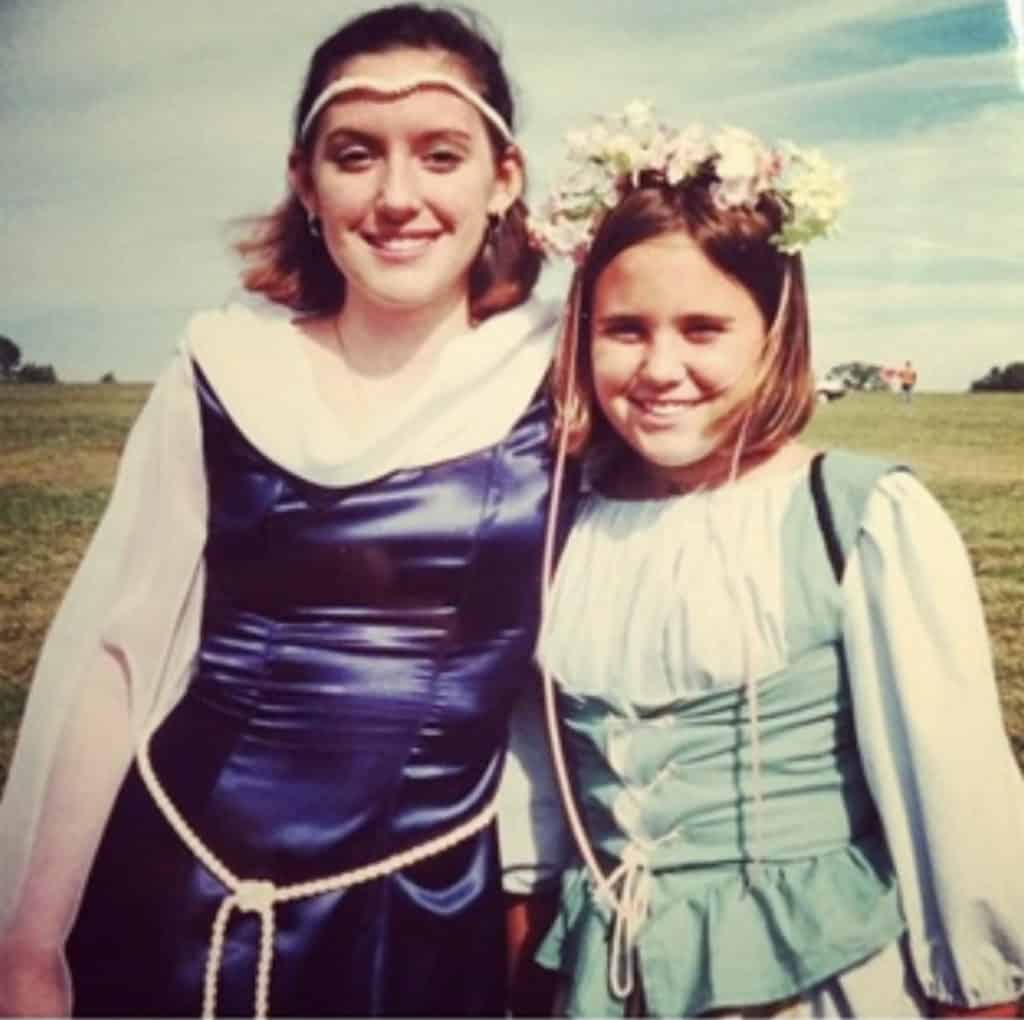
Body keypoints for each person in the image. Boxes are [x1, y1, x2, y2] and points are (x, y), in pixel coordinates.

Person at [0, 5, 570, 1016]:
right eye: (356, 155)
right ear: (305, 181)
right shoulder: (225, 367)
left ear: (504, 179)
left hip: (424, 917)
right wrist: (29, 942)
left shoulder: (562, 373)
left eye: (441, 154)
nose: (398, 196)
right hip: (177, 884)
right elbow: (116, 653)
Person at [527, 103, 1024, 1017]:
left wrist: (984, 992)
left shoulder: (858, 519)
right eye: (624, 329)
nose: (659, 366)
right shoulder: (567, 523)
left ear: (774, 333)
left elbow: (956, 802)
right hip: (612, 985)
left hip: (819, 979)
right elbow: (544, 785)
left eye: (704, 329)